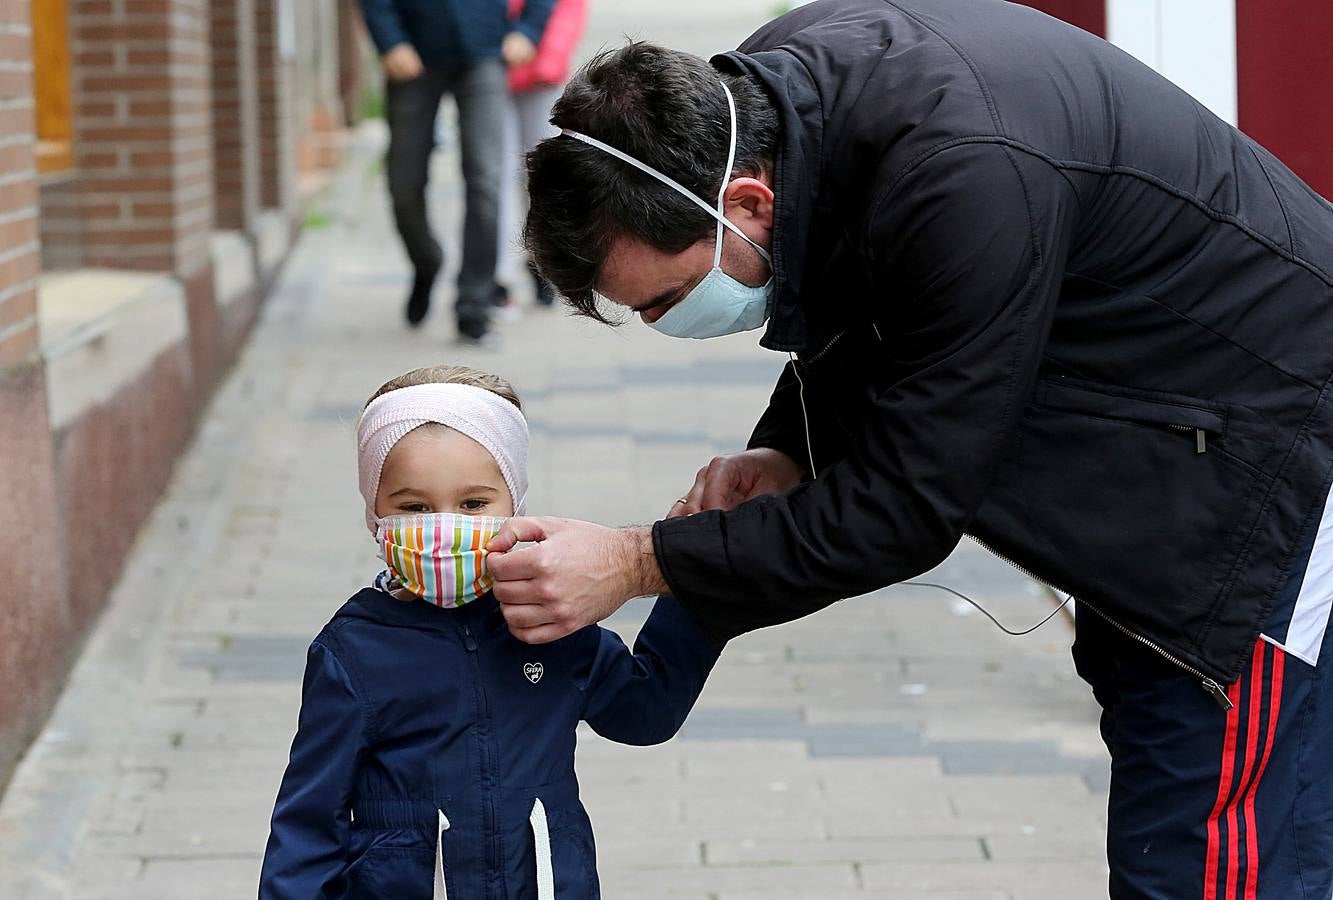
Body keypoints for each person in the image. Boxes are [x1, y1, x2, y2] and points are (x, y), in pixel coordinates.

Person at [488, 2, 1333, 896]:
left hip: (1265, 451)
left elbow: (906, 507)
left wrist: (631, 562)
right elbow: (866, 300)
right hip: (1158, 449)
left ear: (745, 200)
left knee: (1207, 847)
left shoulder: (961, 173)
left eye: (662, 300)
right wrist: (791, 451)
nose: (661, 325)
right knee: (1233, 819)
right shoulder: (778, 95)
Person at [258, 365, 721, 898]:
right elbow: (308, 821)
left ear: (514, 506)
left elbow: (645, 711)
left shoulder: (551, 616)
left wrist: (697, 576)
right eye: (414, 507)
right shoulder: (354, 649)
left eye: (474, 504)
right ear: (376, 516)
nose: (444, 525)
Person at [356, 0, 555, 341]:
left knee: (485, 180)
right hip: (412, 55)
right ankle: (426, 260)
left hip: (484, 55)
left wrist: (527, 30)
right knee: (404, 184)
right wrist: (389, 40)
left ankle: (474, 304)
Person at [497, 0, 589, 311]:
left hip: (539, 68)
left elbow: (567, 10)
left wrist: (548, 57)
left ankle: (545, 261)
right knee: (497, 176)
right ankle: (500, 276)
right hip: (485, 70)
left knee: (544, 177)